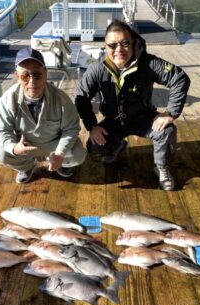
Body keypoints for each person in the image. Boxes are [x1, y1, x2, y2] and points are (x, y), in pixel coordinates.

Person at [75, 20, 190, 191]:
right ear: (106, 47)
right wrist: (92, 126)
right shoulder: (98, 68)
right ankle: (116, 147)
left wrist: (170, 113)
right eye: (112, 45)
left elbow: (179, 78)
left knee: (167, 130)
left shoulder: (149, 63)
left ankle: (161, 167)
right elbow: (81, 96)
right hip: (114, 120)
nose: (119, 50)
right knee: (94, 145)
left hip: (144, 117)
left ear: (133, 42)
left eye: (125, 43)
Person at [0, 47, 86, 184]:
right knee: (1, 153)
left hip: (54, 144)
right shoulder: (8, 99)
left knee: (79, 155)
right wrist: (14, 148)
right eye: (25, 75)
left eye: (37, 75)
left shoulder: (61, 98)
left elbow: (71, 128)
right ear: (17, 77)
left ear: (45, 74)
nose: (32, 81)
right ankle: (27, 167)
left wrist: (59, 153)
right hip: (24, 147)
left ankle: (61, 163)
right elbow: (0, 129)